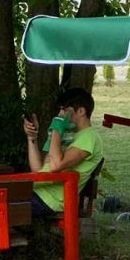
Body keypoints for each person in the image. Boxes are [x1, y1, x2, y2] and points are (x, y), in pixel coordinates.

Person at [22, 87, 103, 219]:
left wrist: (57, 128)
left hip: (50, 201)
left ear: (81, 111)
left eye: (65, 110)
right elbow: (39, 169)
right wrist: (32, 138)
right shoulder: (68, 135)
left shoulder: (90, 137)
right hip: (36, 193)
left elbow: (55, 166)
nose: (60, 114)